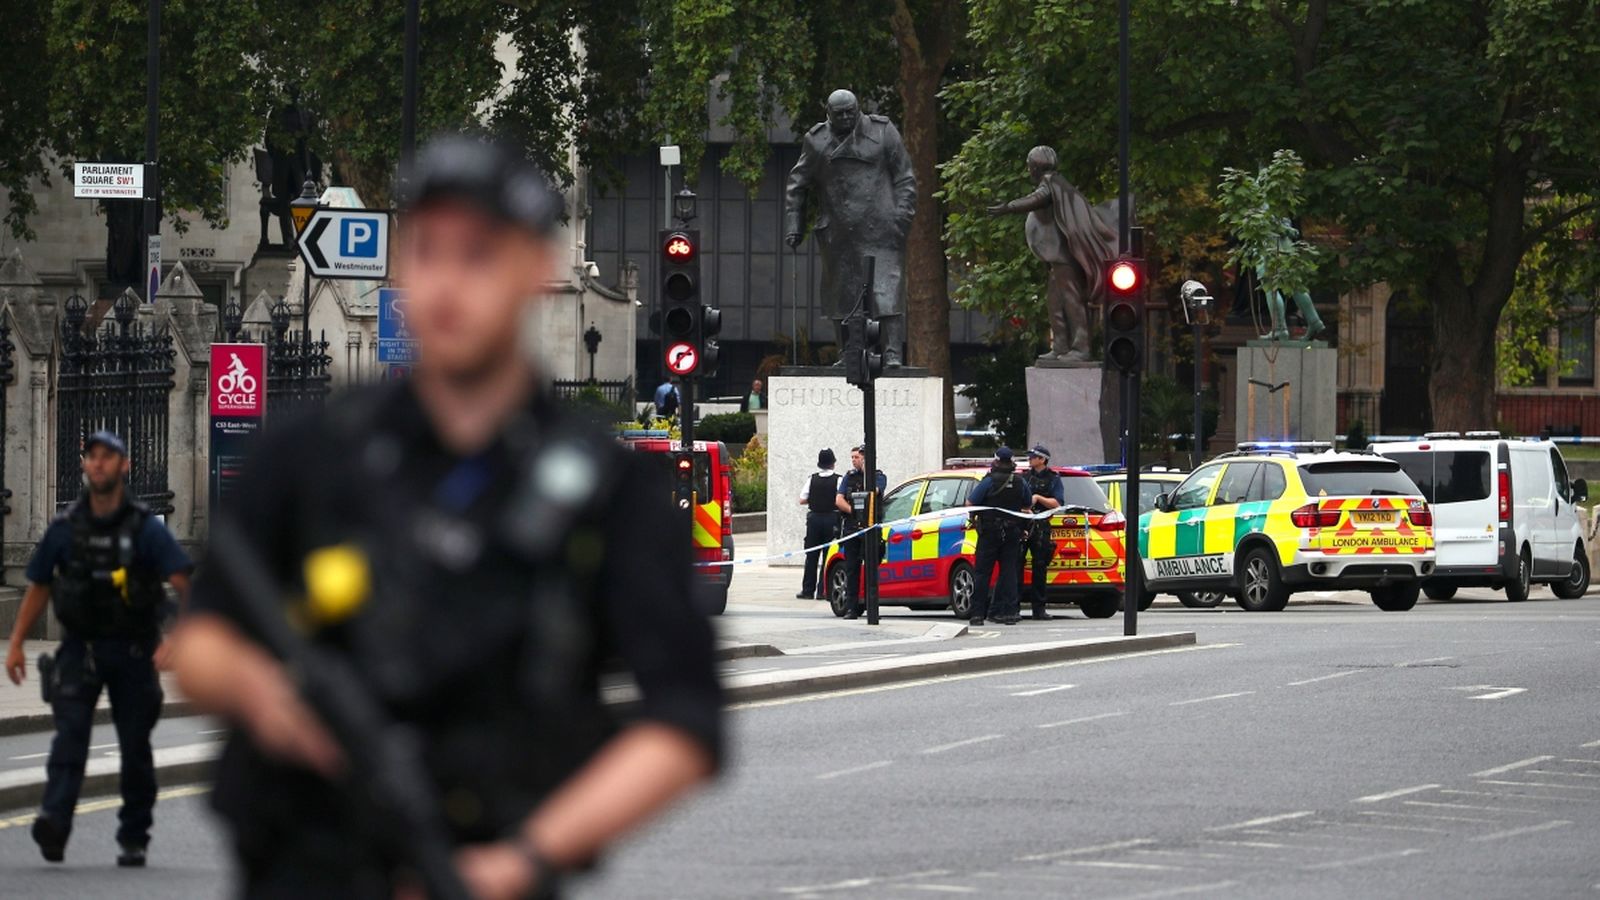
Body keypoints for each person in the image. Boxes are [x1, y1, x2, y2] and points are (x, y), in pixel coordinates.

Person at [168, 135, 722, 899]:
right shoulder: (309, 455)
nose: (447, 284)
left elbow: (687, 723)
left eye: (479, 255)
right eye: (428, 252)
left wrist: (526, 860)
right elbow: (199, 641)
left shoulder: (607, 490)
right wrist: (261, 692)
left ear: (536, 269)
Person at [5, 430, 193, 867]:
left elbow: (184, 583)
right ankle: (54, 823)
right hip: (80, 649)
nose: (99, 463)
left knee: (134, 747)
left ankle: (134, 836)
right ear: (84, 464)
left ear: (124, 465)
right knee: (69, 738)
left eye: (108, 456)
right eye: (92, 456)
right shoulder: (65, 528)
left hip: (133, 651)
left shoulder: (145, 528)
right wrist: (15, 644)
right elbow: (39, 586)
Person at [783, 89, 917, 365]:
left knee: (887, 291)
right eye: (839, 113)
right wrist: (794, 224)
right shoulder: (816, 141)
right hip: (839, 232)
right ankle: (848, 353)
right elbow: (797, 184)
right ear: (828, 113)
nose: (846, 117)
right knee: (841, 294)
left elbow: (905, 177)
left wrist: (901, 217)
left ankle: (892, 353)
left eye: (850, 112)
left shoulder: (883, 131)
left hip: (882, 228)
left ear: (858, 109)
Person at [986, 145, 1119, 364]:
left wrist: (1008, 207)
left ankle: (1081, 348)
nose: (1028, 170)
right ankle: (1060, 346)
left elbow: (1035, 199)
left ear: (1036, 167)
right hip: (1058, 259)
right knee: (1055, 302)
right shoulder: (1056, 183)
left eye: (1029, 166)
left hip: (1064, 259)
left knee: (1071, 299)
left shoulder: (1051, 183)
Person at [966, 447, 1032, 626]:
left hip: (989, 532)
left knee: (982, 574)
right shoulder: (1020, 481)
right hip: (1012, 532)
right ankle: (1009, 613)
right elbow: (1027, 505)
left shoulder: (989, 481)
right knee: (1009, 572)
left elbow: (970, 503)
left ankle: (977, 615)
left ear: (995, 460)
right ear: (1012, 461)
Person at [834, 445, 887, 619]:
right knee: (852, 569)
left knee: (871, 569)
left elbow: (874, 492)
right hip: (852, 528)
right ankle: (852, 608)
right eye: (853, 457)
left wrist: (867, 470)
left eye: (857, 457)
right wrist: (854, 512)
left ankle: (871, 607)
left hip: (870, 529)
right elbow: (839, 499)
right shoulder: (849, 477)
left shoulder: (878, 477)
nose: (854, 460)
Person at [1018, 445, 1065, 620]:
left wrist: (1038, 498)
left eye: (1033, 457)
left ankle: (1039, 609)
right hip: (1023, 524)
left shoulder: (1053, 479)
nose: (1029, 459)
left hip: (1041, 526)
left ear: (1042, 459)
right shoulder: (1024, 477)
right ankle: (1014, 607)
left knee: (1039, 567)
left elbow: (1057, 503)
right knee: (1017, 565)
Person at [797, 448, 842, 600]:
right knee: (828, 555)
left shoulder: (812, 479)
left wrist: (816, 499)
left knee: (811, 555)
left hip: (814, 519)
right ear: (833, 463)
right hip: (831, 518)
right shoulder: (838, 479)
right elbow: (841, 498)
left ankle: (807, 590)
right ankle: (822, 590)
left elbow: (802, 499)